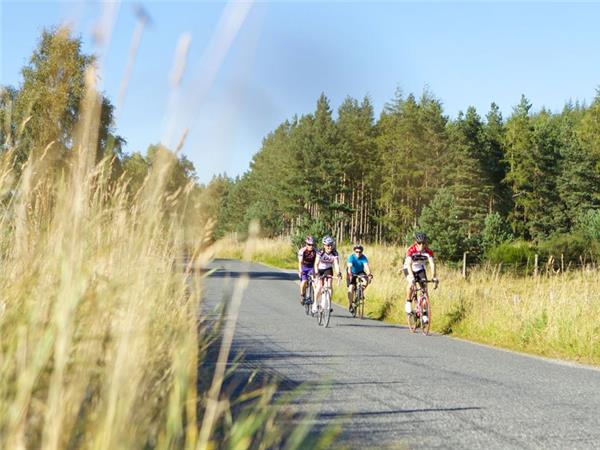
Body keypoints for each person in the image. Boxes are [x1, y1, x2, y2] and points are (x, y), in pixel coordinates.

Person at [403, 232, 437, 322]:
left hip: (420, 269)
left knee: (425, 290)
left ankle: (424, 314)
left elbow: (432, 264)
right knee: (411, 284)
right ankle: (408, 302)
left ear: (426, 243)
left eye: (423, 243)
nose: (421, 245)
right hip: (409, 268)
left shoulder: (428, 251)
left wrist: (434, 277)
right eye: (419, 243)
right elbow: (409, 264)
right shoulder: (411, 250)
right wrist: (412, 278)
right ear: (416, 242)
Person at [313, 235, 342, 314]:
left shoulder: (334, 253)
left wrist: (338, 273)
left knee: (329, 285)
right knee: (319, 287)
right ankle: (315, 303)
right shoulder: (320, 252)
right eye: (328, 245)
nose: (330, 247)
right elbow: (316, 264)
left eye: (331, 245)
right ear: (324, 245)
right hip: (320, 269)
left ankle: (329, 304)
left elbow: (336, 264)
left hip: (328, 269)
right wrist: (316, 273)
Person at [346, 244, 373, 314]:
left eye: (360, 252)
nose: (358, 253)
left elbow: (366, 266)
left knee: (366, 281)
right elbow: (349, 267)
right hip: (351, 272)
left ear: (362, 252)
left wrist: (369, 274)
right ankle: (350, 305)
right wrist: (350, 275)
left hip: (360, 272)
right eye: (357, 252)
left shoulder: (363, 257)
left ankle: (360, 292)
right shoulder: (351, 257)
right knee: (351, 288)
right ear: (354, 251)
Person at [298, 236, 318, 304]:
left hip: (312, 267)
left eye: (312, 245)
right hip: (304, 267)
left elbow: (317, 261)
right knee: (304, 281)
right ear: (306, 244)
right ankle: (302, 295)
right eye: (309, 245)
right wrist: (300, 270)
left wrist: (316, 271)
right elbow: (300, 262)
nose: (311, 246)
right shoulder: (302, 251)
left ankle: (315, 299)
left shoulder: (315, 251)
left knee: (314, 282)